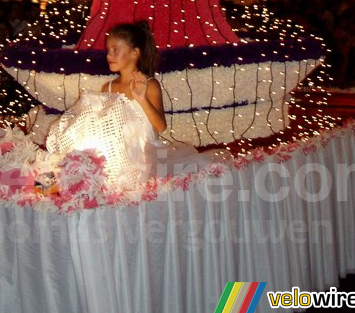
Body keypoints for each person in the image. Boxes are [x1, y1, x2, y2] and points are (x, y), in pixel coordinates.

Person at [44, 21, 222, 189]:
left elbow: (160, 126)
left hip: (145, 158)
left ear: (134, 53)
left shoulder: (149, 84)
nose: (109, 56)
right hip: (118, 158)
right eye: (108, 50)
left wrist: (142, 98)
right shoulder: (109, 87)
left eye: (115, 50)